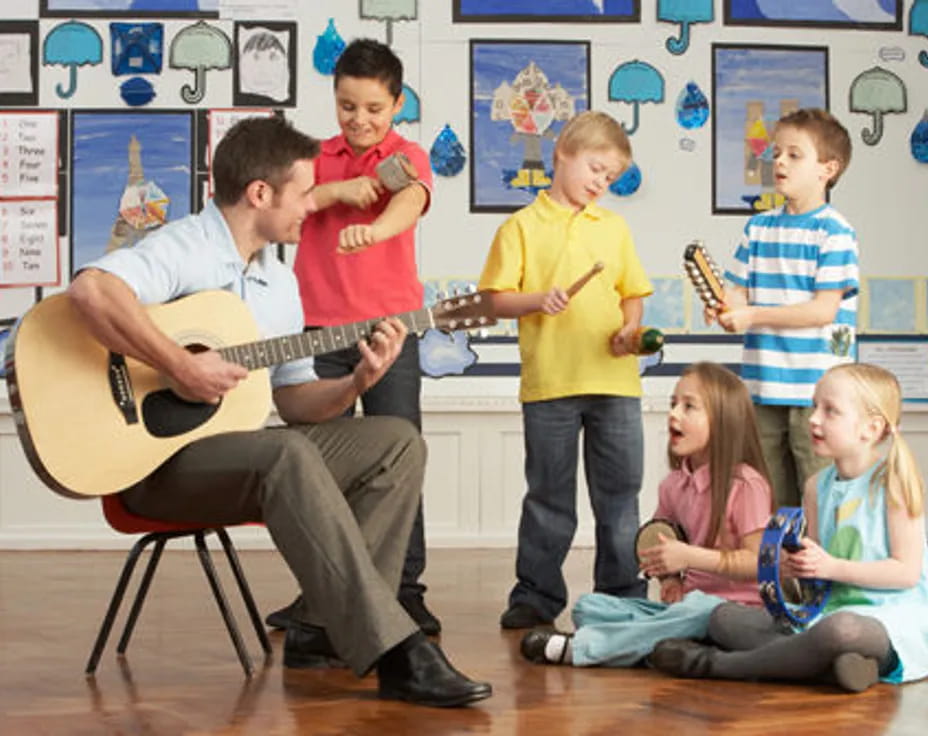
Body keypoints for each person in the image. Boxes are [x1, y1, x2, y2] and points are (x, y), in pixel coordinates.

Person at [66, 116, 491, 708]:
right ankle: (397, 650)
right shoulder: (186, 245)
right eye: (303, 193)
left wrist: (356, 382)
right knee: (284, 454)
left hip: (235, 454)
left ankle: (321, 626)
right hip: (155, 468)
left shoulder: (279, 282)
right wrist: (180, 365)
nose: (310, 208)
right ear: (260, 194)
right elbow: (91, 291)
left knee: (396, 440)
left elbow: (295, 403)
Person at [268, 38, 439, 636]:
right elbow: (291, 205)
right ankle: (319, 593)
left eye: (373, 108)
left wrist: (374, 231)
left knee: (401, 456)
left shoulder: (408, 154)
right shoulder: (313, 157)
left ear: (396, 104)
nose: (360, 120)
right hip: (315, 328)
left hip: (392, 327)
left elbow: (412, 199)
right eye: (347, 107)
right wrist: (336, 193)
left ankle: (405, 590)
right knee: (314, 470)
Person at [649, 363, 928, 693]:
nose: (813, 418)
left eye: (830, 411)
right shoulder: (816, 487)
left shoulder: (892, 483)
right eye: (814, 406)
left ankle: (718, 665)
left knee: (841, 632)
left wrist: (832, 566)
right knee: (723, 618)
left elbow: (906, 573)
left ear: (870, 427)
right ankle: (835, 667)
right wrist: (794, 568)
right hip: (827, 612)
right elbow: (817, 578)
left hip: (888, 619)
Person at [478, 110, 653, 630]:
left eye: (611, 178)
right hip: (550, 384)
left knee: (620, 498)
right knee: (549, 498)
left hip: (616, 383)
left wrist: (628, 329)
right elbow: (494, 302)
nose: (601, 184)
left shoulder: (615, 228)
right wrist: (536, 299)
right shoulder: (520, 228)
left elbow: (633, 297)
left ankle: (621, 593)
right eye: (596, 169)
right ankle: (536, 593)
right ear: (562, 153)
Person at [520, 362, 774, 666]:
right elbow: (659, 541)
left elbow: (760, 564)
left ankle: (584, 648)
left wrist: (689, 557)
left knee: (697, 612)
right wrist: (670, 580)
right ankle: (662, 646)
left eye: (689, 407)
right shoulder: (673, 485)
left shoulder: (746, 485)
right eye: (673, 404)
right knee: (588, 607)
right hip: (685, 610)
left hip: (734, 614)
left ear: (723, 422)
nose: (674, 414)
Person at [707, 108, 859, 509]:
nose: (778, 161)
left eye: (794, 155)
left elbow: (823, 311)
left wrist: (751, 315)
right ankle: (781, 573)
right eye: (776, 153)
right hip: (762, 386)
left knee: (819, 495)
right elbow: (736, 293)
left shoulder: (836, 233)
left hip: (819, 393)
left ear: (828, 169)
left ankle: (822, 572)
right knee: (767, 495)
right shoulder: (757, 228)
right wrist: (725, 309)